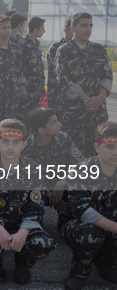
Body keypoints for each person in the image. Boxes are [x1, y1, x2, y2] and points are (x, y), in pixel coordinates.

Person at [0, 119, 55, 285]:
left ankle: (22, 265)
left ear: (23, 145)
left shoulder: (35, 170)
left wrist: (23, 231)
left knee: (43, 243)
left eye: (16, 142)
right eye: (5, 142)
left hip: (22, 224)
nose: (10, 147)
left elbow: (35, 207)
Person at [60, 121, 117, 290]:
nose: (115, 152)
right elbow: (83, 211)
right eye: (109, 147)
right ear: (97, 147)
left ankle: (108, 262)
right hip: (80, 225)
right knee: (89, 233)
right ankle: (80, 271)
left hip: (112, 224)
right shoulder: (81, 169)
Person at [56, 12, 112, 157]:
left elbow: (107, 75)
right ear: (73, 28)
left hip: (98, 115)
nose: (88, 29)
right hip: (75, 116)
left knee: (98, 156)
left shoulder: (99, 50)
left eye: (90, 26)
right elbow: (63, 79)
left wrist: (99, 98)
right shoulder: (64, 51)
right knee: (75, 158)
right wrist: (85, 98)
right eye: (83, 25)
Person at [24, 107, 83, 213]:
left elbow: (81, 165)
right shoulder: (26, 147)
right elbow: (26, 178)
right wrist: (48, 193)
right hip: (38, 191)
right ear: (41, 130)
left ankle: (70, 216)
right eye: (54, 122)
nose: (60, 124)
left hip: (63, 187)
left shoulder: (64, 138)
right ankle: (31, 219)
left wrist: (64, 182)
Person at [0, 15, 27, 120]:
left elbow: (20, 69)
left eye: (9, 27)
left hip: (13, 95)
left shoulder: (16, 48)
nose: (7, 31)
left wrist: (22, 87)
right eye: (4, 28)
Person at [20, 16, 46, 117]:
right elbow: (20, 66)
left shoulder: (37, 44)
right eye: (42, 29)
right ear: (35, 30)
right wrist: (22, 86)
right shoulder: (23, 44)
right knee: (26, 115)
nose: (44, 31)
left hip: (37, 88)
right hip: (27, 88)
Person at [47, 15, 73, 113]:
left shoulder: (78, 47)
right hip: (57, 96)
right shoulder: (56, 48)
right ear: (66, 30)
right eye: (73, 32)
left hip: (73, 98)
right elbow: (62, 72)